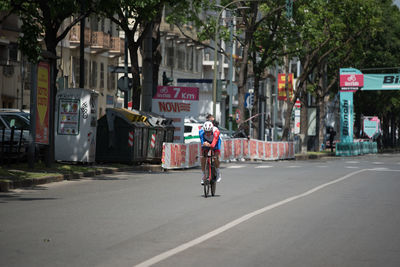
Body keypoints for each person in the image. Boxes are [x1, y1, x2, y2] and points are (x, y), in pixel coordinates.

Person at [199, 121, 222, 185]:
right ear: (204, 130)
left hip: (216, 142)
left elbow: (213, 145)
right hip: (207, 142)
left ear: (212, 130)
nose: (208, 133)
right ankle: (203, 175)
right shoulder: (201, 132)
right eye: (206, 132)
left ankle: (218, 172)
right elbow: (202, 144)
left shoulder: (216, 132)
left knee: (216, 156)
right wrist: (204, 144)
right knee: (203, 156)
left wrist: (208, 145)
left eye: (209, 132)